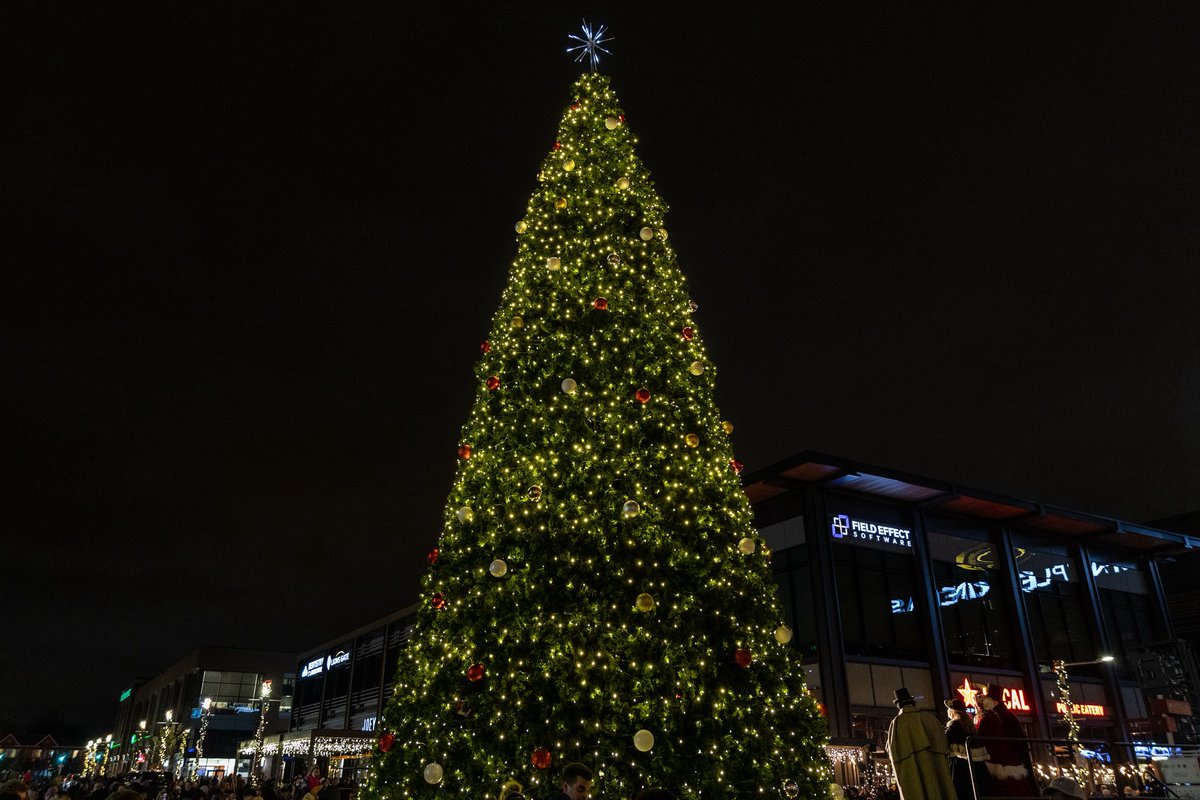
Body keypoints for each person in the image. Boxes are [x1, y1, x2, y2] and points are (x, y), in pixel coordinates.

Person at [886, 688, 956, 800]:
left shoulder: (897, 723)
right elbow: (943, 743)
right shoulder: (930, 718)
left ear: (899, 705)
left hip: (912, 772)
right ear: (913, 702)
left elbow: (893, 751)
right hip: (936, 769)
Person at [975, 684, 1037, 797]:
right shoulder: (1004, 714)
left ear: (994, 701)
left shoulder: (996, 715)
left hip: (1007, 754)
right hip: (1013, 754)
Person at [944, 698, 989, 800]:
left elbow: (945, 741)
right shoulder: (970, 725)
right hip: (976, 765)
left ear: (953, 711)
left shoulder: (953, 725)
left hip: (960, 764)